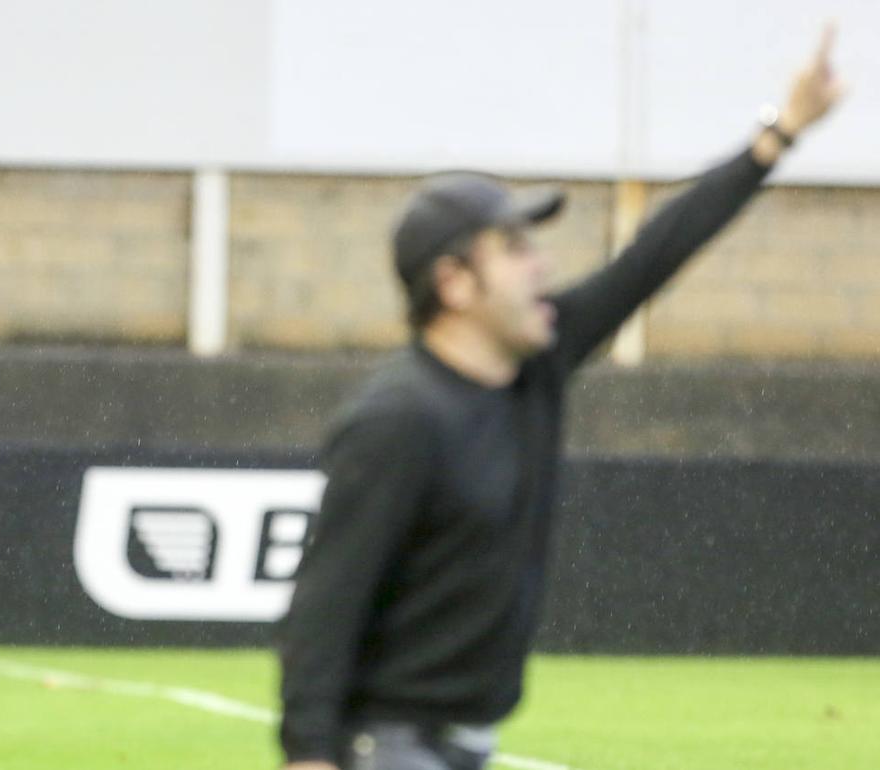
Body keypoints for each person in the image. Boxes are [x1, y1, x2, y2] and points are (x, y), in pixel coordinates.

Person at [278, 27, 843, 770]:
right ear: (454, 284)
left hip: (461, 747)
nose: (540, 264)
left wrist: (779, 137)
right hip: (387, 748)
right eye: (513, 249)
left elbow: (653, 256)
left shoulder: (536, 368)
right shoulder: (399, 419)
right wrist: (307, 753)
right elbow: (327, 602)